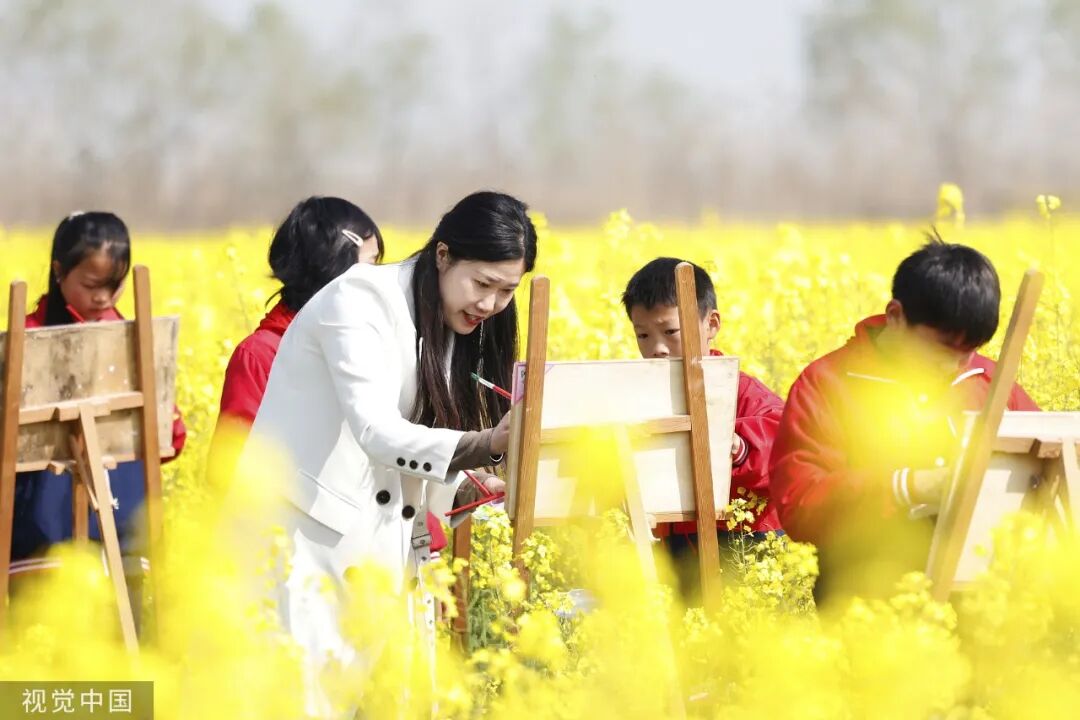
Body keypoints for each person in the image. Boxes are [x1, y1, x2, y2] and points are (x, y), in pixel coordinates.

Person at [244, 191, 536, 714]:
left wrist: (469, 481)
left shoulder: (447, 320)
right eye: (483, 284)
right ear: (442, 255)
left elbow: (415, 441)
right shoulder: (357, 300)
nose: (491, 304)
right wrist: (486, 446)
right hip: (307, 549)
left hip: (387, 554)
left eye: (507, 291)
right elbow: (377, 431)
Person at [769, 235, 1039, 606]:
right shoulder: (829, 382)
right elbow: (798, 504)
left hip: (981, 604)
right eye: (943, 349)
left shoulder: (992, 382)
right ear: (896, 316)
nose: (957, 366)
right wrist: (907, 487)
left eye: (970, 351)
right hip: (865, 601)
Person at [11, 212, 187, 598]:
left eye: (115, 286)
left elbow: (171, 437)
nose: (103, 298)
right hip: (41, 531)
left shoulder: (134, 341)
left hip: (121, 529)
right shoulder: (27, 340)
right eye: (91, 285)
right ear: (59, 272)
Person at [621, 258, 784, 598]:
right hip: (672, 544)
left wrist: (738, 448)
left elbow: (780, 449)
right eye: (643, 335)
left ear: (711, 324)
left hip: (745, 544)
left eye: (670, 332)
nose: (657, 348)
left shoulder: (745, 393)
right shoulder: (642, 398)